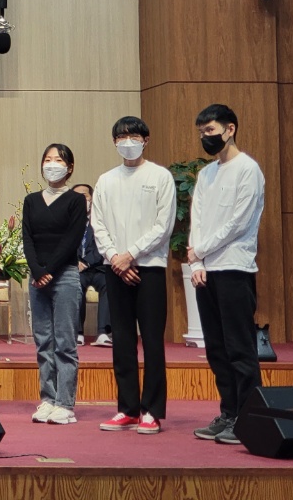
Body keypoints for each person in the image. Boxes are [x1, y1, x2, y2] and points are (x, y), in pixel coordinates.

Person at [90, 115, 174, 435]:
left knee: (152, 341)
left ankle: (152, 410)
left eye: (134, 136)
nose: (128, 142)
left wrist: (131, 254)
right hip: (115, 268)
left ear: (145, 140)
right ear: (114, 143)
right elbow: (98, 224)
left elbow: (163, 225)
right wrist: (115, 257)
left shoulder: (160, 176)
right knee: (122, 341)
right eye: (122, 137)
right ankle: (127, 408)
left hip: (149, 266)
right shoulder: (106, 180)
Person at [189, 104, 266, 446]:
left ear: (230, 129)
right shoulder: (206, 174)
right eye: (201, 132)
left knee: (240, 349)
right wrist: (196, 263)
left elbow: (239, 222)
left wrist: (201, 250)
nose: (205, 137)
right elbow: (197, 219)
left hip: (235, 268)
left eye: (210, 130)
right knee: (217, 350)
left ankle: (249, 418)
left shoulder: (248, 169)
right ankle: (229, 412)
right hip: (207, 271)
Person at [22, 144, 87, 425]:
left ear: (69, 167)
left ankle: (65, 403)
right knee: (43, 341)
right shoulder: (31, 200)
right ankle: (48, 399)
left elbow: (72, 239)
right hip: (37, 277)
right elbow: (27, 238)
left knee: (64, 342)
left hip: (65, 275)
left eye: (58, 160)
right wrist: (38, 271)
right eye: (47, 159)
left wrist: (49, 270)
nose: (52, 164)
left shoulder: (75, 200)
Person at [71, 182, 112, 347]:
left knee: (109, 284)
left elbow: (103, 246)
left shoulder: (101, 221)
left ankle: (103, 332)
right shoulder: (67, 222)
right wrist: (75, 262)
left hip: (98, 268)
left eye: (84, 195)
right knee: (75, 284)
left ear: (92, 199)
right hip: (76, 269)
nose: (81, 199)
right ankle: (78, 333)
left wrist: (86, 262)